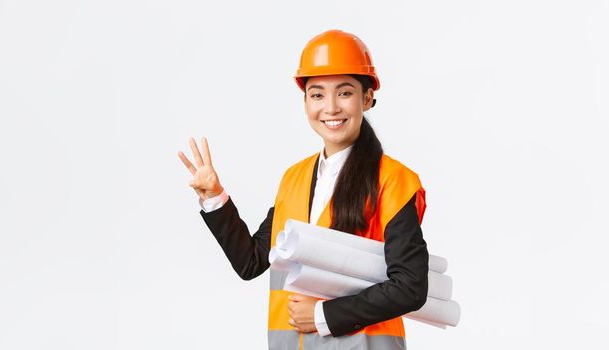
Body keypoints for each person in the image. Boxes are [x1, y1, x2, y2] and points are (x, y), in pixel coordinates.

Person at [178, 29, 430, 350]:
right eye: (317, 94)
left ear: (366, 98)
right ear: (306, 101)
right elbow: (252, 262)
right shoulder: (294, 178)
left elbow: (410, 286)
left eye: (344, 92)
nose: (330, 107)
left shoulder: (393, 180)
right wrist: (213, 196)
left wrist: (324, 315)